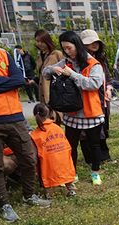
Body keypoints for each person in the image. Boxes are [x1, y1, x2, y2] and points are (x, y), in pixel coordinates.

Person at [0, 14, 50, 222]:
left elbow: (19, 79)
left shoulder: (2, 54)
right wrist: (4, 82)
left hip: (14, 116)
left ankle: (29, 195)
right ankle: (4, 204)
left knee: (29, 157)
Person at [42, 31, 105, 186]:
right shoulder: (65, 62)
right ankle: (72, 172)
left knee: (94, 144)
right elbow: (45, 73)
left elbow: (94, 84)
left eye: (69, 48)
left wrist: (73, 75)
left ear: (77, 45)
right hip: (71, 111)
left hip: (91, 111)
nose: (68, 52)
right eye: (65, 49)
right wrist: (52, 69)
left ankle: (95, 172)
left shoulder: (93, 64)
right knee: (70, 144)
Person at [80, 29, 113, 164]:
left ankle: (104, 155)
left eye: (96, 42)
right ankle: (90, 158)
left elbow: (109, 78)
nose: (94, 44)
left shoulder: (101, 59)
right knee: (86, 131)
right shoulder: (80, 61)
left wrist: (109, 90)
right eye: (90, 42)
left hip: (102, 100)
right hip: (87, 99)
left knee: (102, 127)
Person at [31, 103, 76, 197]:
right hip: (63, 160)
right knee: (66, 173)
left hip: (48, 164)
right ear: (51, 114)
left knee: (46, 177)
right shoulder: (58, 128)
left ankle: (49, 194)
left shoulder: (35, 135)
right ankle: (71, 189)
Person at [34, 29, 65, 104]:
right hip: (43, 91)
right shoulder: (39, 57)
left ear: (47, 41)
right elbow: (41, 73)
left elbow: (66, 68)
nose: (40, 44)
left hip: (55, 89)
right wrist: (33, 80)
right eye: (38, 41)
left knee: (56, 113)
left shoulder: (57, 54)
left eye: (42, 41)